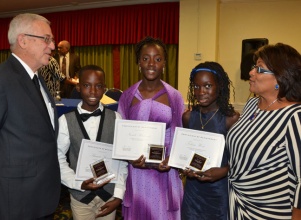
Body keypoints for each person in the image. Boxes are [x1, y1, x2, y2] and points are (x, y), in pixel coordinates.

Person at [0, 13, 60, 219]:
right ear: (23, 40)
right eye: (47, 39)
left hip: (42, 195)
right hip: (14, 200)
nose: (52, 46)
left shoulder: (37, 79)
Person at [226, 43, 301, 219]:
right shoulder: (252, 105)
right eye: (254, 67)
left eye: (259, 69)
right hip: (236, 205)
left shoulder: (295, 117)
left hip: (269, 212)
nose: (251, 72)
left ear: (280, 76)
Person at [117, 36, 184, 220]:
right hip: (137, 175)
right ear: (138, 62)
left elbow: (180, 137)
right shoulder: (127, 96)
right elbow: (121, 137)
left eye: (157, 58)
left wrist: (172, 159)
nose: (151, 63)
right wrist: (130, 157)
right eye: (146, 58)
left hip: (165, 174)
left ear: (164, 63)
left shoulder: (174, 97)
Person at [57, 65, 128, 220]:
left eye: (99, 86)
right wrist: (78, 183)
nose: (93, 91)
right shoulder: (65, 121)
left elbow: (122, 160)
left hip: (109, 195)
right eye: (87, 85)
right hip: (80, 197)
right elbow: (58, 158)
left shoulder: (116, 118)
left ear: (104, 88)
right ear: (78, 87)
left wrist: (118, 195)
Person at [181, 62, 240, 220]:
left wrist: (224, 171)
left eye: (207, 86)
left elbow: (240, 161)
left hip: (219, 193)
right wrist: (183, 166)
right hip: (193, 192)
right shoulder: (187, 117)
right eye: (196, 86)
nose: (201, 92)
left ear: (219, 86)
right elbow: (186, 152)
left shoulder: (231, 119)